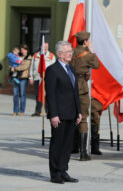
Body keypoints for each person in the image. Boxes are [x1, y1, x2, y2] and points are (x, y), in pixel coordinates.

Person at [45, 41, 82, 184]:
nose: (70, 54)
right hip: (59, 114)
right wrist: (53, 114)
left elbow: (75, 93)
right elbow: (51, 95)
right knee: (57, 144)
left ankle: (63, 170)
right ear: (59, 54)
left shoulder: (71, 69)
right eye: (67, 52)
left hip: (72, 113)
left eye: (71, 52)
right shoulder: (52, 70)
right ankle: (55, 174)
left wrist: (79, 112)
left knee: (67, 145)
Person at [70, 31, 100, 161]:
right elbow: (97, 65)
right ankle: (83, 153)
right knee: (83, 117)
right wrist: (92, 51)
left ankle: (71, 147)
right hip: (81, 87)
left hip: (70, 86)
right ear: (86, 42)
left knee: (70, 117)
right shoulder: (88, 55)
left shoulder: (70, 53)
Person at [30, 42, 56, 117]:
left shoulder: (51, 56)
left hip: (48, 78)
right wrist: (31, 77)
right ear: (41, 46)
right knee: (38, 95)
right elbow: (31, 67)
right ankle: (38, 111)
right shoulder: (35, 55)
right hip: (38, 78)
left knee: (48, 95)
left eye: (46, 47)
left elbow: (54, 68)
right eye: (43, 47)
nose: (45, 48)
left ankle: (49, 111)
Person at [10, 44, 32, 116]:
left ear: (26, 50)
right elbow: (11, 62)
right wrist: (11, 67)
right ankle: (15, 110)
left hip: (23, 78)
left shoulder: (29, 57)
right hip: (15, 77)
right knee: (15, 94)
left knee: (22, 95)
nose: (21, 51)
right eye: (21, 49)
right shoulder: (17, 56)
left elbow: (25, 67)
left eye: (23, 49)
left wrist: (15, 68)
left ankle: (22, 111)